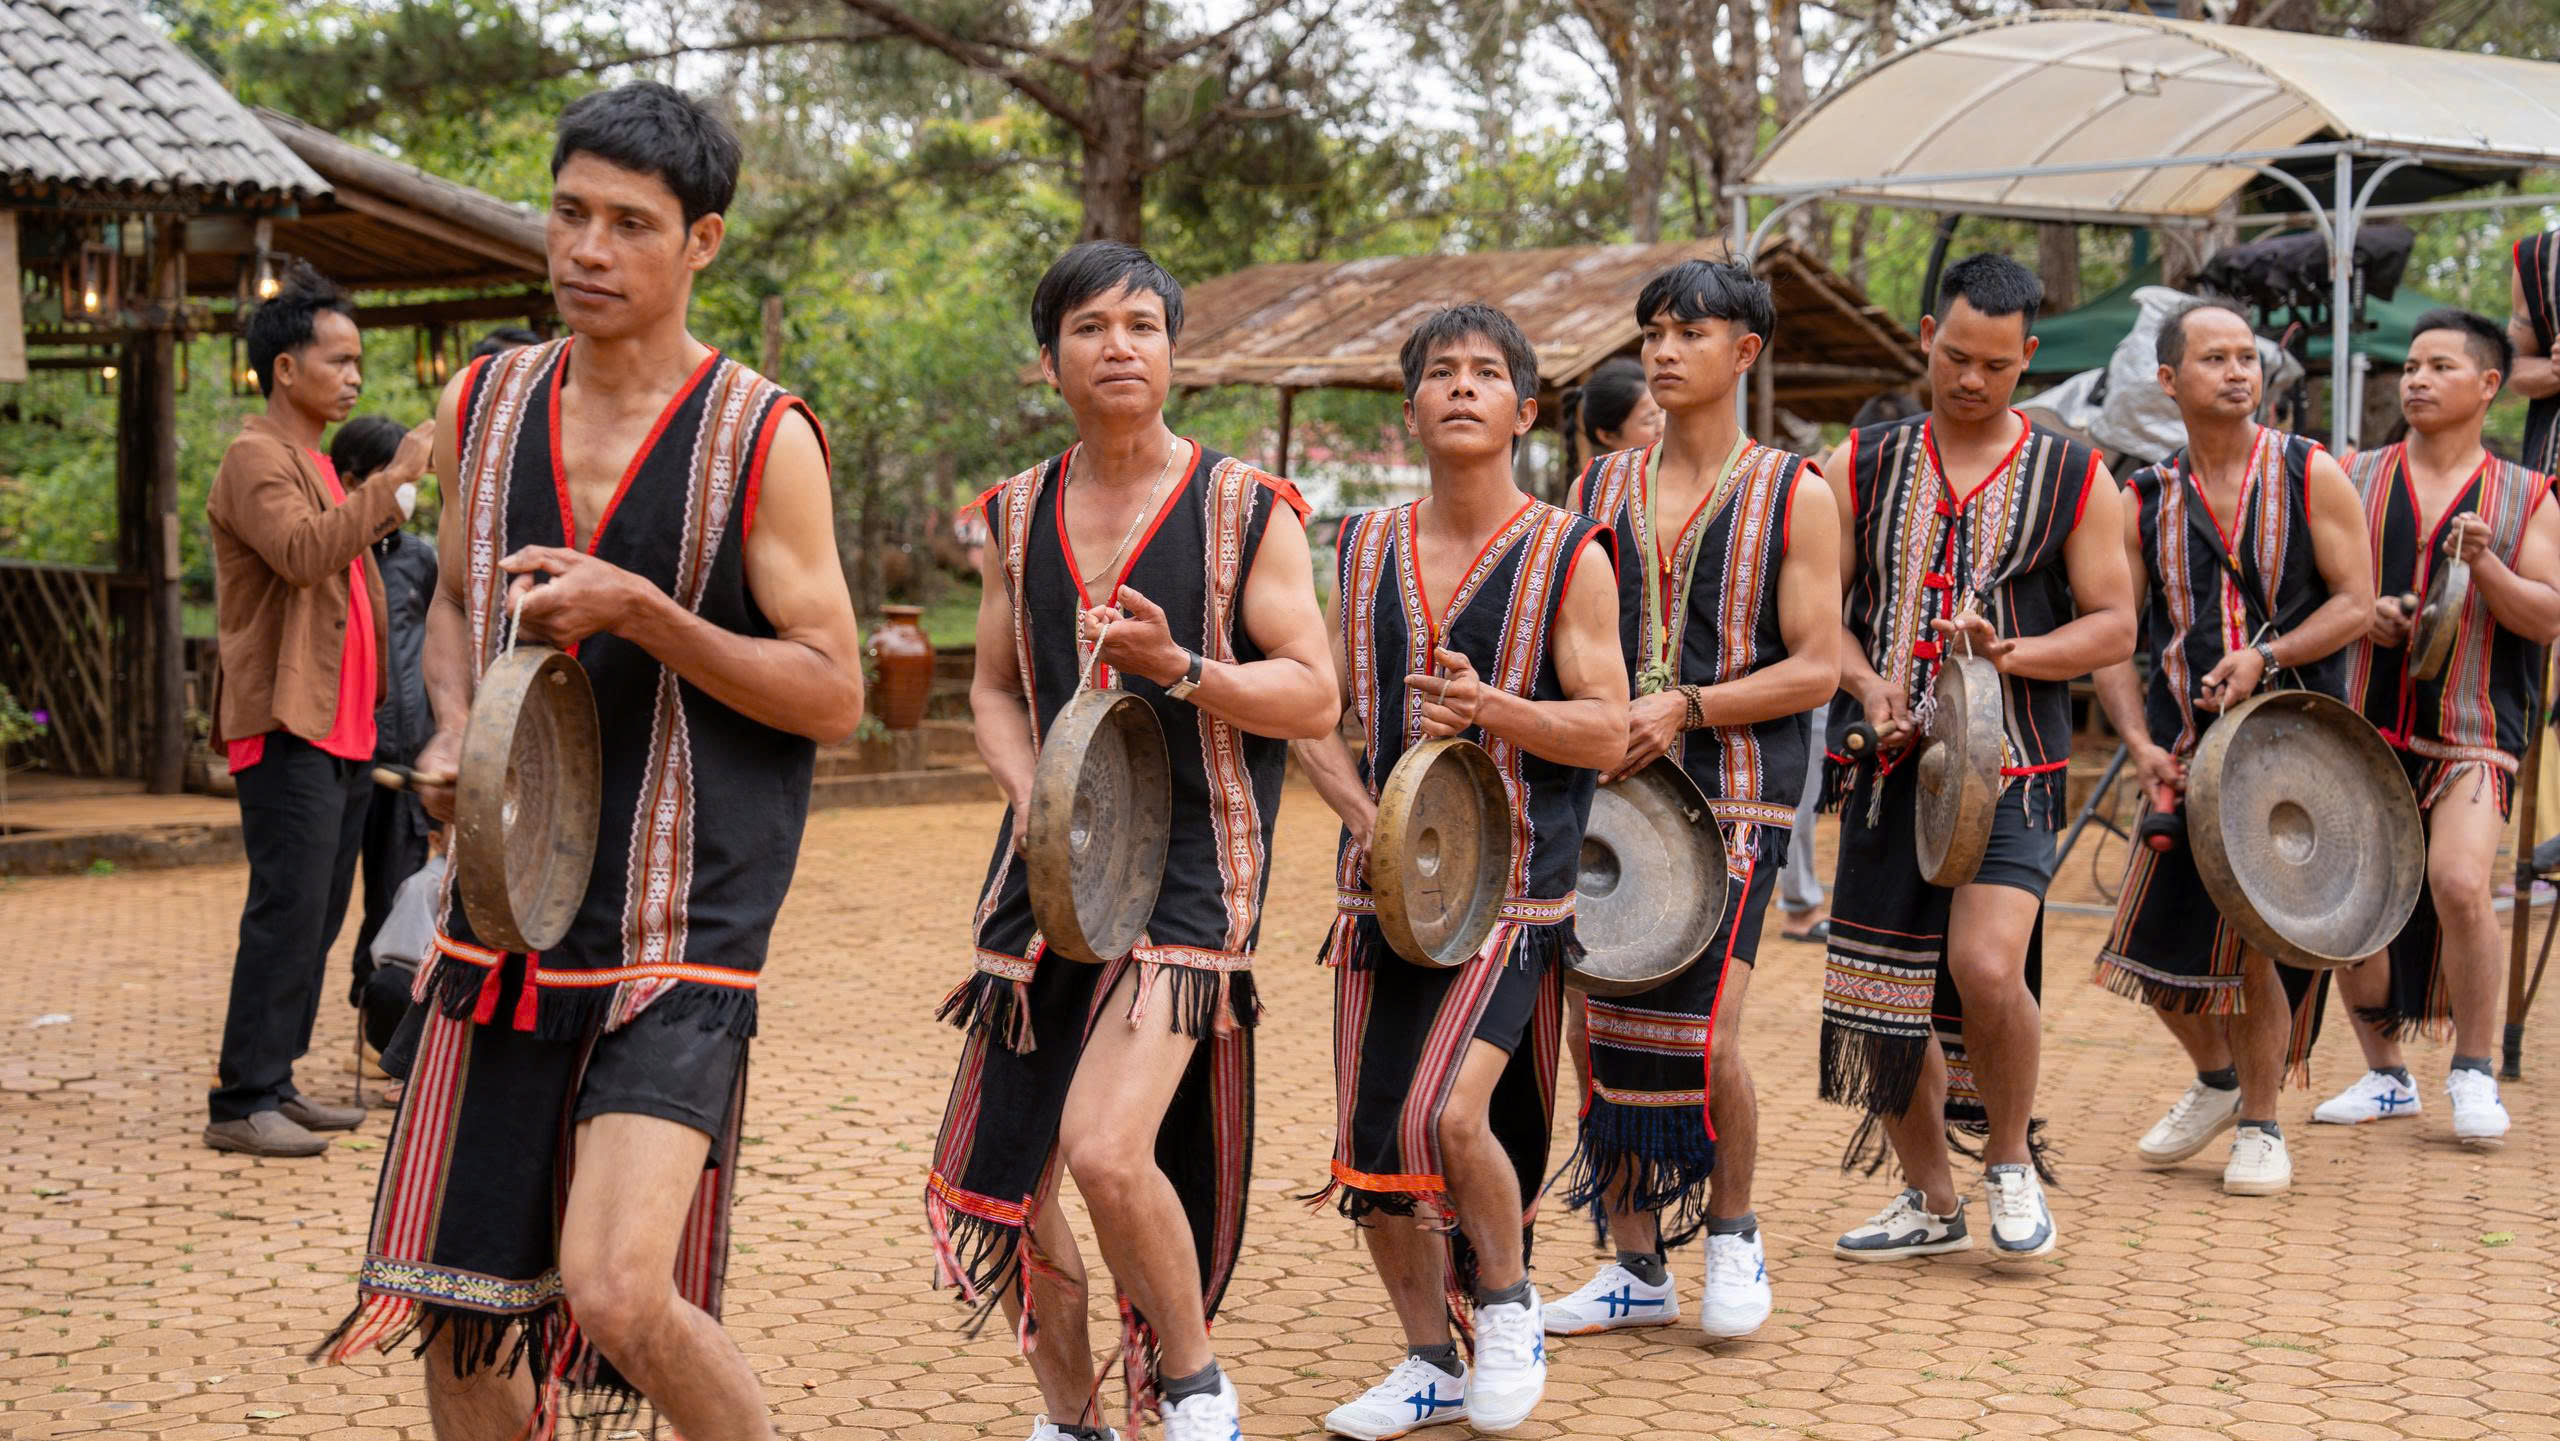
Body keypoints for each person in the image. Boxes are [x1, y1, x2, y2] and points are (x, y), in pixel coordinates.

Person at [317, 82, 866, 1441]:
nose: (588, 249)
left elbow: (836, 691)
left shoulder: (760, 436)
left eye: (631, 223)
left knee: (617, 1293)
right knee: (463, 1312)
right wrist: (451, 725)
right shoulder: (483, 402)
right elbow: (452, 598)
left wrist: (648, 614)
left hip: (684, 916)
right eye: (569, 213)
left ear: (704, 244)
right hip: (504, 913)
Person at [924, 240, 1337, 1441]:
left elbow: (1312, 697)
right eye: (1092, 327)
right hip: (1045, 874)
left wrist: (1182, 669)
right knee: (1008, 1187)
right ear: (1047, 359)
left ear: (1174, 353)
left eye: (1144, 326)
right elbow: (995, 688)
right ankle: (1072, 1418)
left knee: (1105, 1149)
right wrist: (1038, 796)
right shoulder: (1011, 513)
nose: (1120, 346)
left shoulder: (1244, 510)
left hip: (1198, 868)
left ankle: (1196, 1383)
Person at [1297, 303, 1627, 1440]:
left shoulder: (1567, 552)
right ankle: (1427, 1360)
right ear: (1410, 407)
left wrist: (1497, 711)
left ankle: (1508, 1300)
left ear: (1525, 410)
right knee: (1374, 1142)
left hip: (1516, 895)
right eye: (1440, 372)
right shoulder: (1363, 547)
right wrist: (1363, 818)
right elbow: (1314, 712)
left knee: (1445, 1112)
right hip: (1380, 899)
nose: (1462, 388)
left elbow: (1608, 728)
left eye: (1488, 373)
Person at [1815, 253, 2134, 1263]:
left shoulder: (2074, 472)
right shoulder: (1854, 465)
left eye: (1995, 365)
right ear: (1924, 336)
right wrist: (1867, 688)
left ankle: (2008, 1161)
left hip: (2015, 767)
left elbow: (2114, 626)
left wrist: (2013, 655)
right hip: (1883, 773)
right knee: (1879, 998)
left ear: (2025, 358)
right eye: (1954, 356)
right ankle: (1929, 1197)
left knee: (1986, 965)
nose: (1968, 380)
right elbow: (1816, 621)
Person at [1543, 260, 1838, 1345]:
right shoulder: (1596, 489)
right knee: (1595, 1024)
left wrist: (1688, 706)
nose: (1663, 352)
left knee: (1706, 1038)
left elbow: (1814, 667)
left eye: (1690, 332)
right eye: (1653, 333)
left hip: (1738, 798)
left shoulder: (1794, 490)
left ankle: (1732, 1234)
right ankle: (1630, 1265)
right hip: (1611, 797)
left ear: (1743, 352)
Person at [2088, 299, 2375, 1195]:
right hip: (2184, 750)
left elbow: (2357, 602)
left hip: (2292, 752)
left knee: (2250, 945)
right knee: (2146, 951)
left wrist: (2268, 652)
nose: (2239, 372)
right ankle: (2218, 1082)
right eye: (2215, 358)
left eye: (2247, 356)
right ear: (2169, 380)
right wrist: (2136, 740)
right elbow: (2112, 636)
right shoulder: (2142, 497)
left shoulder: (2310, 472)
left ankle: (2260, 1122)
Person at [203, 260, 433, 1158]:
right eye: (337, 360)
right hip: (286, 722)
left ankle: (280, 1080)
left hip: (342, 729)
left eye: (357, 361)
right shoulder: (254, 457)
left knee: (320, 913)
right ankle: (241, 1097)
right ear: (285, 367)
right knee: (285, 909)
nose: (354, 377)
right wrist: (399, 477)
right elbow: (303, 554)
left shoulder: (314, 464)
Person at [2317, 308, 2560, 1146]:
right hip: (2364, 720)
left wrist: (2487, 563)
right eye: (2411, 366)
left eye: (2440, 366)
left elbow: (2547, 617)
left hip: (2474, 725)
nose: (2416, 379)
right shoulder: (2353, 474)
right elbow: (2317, 595)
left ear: (2490, 385)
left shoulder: (2528, 494)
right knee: (2345, 900)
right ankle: (2386, 1075)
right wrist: (2365, 614)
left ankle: (2474, 1071)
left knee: (2459, 882)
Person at [1777, 390, 1918, 945]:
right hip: (1824, 672)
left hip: (1856, 672)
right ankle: (1800, 905)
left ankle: (1809, 900)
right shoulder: (1839, 490)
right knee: (1806, 793)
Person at [328, 414, 439, 1062]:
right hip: (347, 755)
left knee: (396, 893)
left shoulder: (421, 558)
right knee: (326, 897)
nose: (409, 489)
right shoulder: (334, 549)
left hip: (405, 759)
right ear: (352, 481)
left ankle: (379, 1018)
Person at [1558, 355, 1663, 474]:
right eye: (1649, 420)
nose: (1663, 426)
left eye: (1662, 411)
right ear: (1607, 436)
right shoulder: (1594, 490)